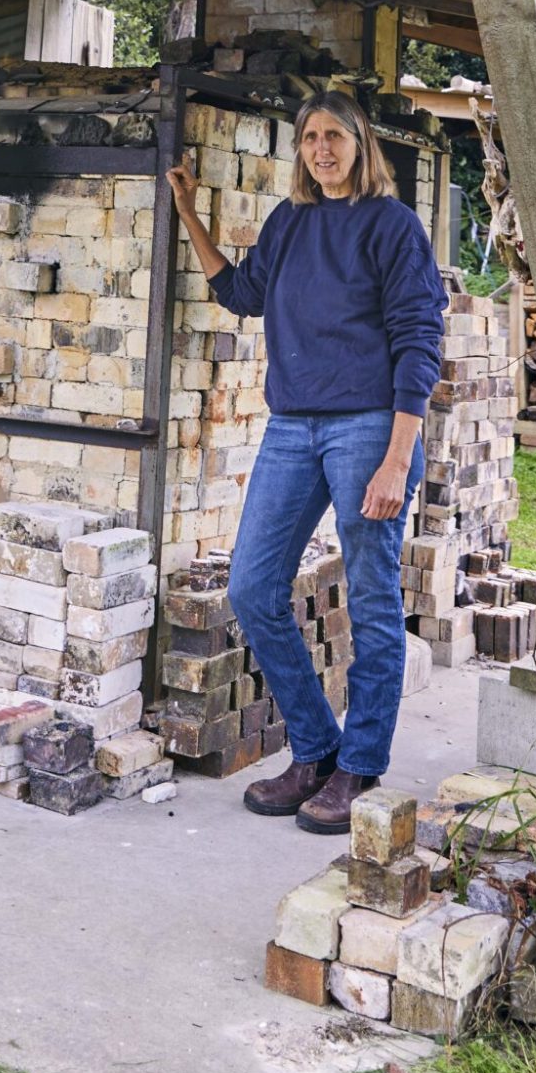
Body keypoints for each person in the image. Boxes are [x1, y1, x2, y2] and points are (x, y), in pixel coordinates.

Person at [167, 88, 446, 833]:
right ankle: (315, 747)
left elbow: (421, 340)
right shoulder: (290, 223)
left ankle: (359, 767)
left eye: (335, 136)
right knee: (253, 585)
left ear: (361, 144)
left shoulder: (391, 226)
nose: (322, 149)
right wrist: (188, 212)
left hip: (367, 428)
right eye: (311, 138)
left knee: (372, 600)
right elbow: (239, 292)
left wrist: (397, 459)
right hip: (293, 426)